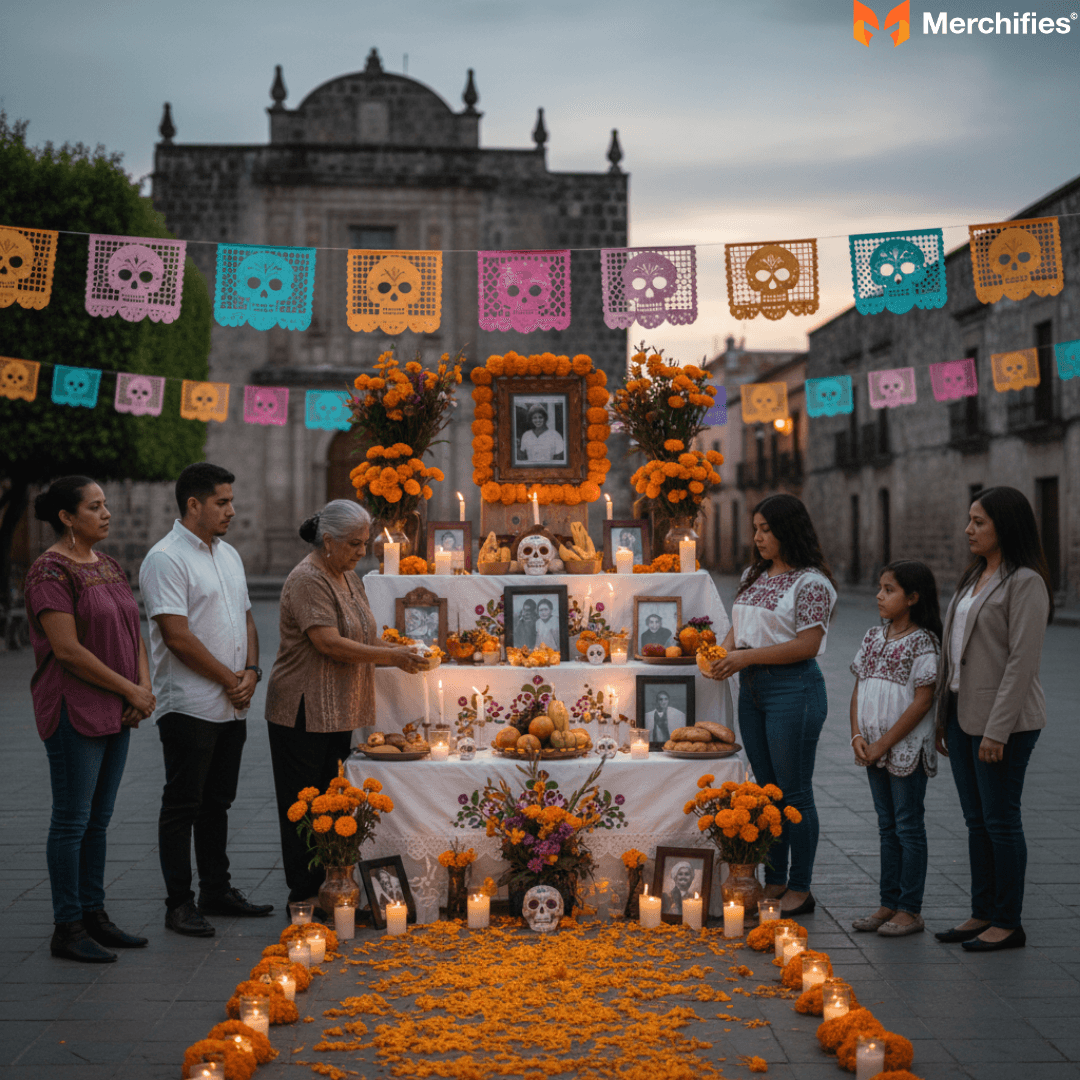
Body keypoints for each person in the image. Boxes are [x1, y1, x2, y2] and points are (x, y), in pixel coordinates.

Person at [265, 501, 423, 909]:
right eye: (354, 543)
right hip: (303, 708)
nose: (362, 551)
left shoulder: (348, 576)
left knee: (332, 798)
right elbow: (329, 643)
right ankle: (304, 894)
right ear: (329, 541)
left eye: (364, 542)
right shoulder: (308, 579)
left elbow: (363, 637)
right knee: (304, 803)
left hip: (337, 707)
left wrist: (403, 651)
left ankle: (332, 884)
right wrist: (392, 657)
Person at [25, 477, 155, 963]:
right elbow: (67, 651)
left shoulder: (108, 564)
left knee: (98, 820)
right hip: (73, 707)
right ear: (67, 517)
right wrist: (130, 690)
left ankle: (94, 914)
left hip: (118, 705)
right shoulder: (49, 572)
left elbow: (134, 630)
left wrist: (141, 688)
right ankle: (68, 925)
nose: (106, 513)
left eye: (105, 505)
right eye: (94, 507)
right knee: (72, 820)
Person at [139, 463, 272, 937]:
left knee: (218, 802)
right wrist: (228, 679)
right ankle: (179, 903)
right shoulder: (166, 558)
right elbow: (176, 635)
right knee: (183, 804)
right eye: (222, 502)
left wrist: (252, 671)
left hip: (231, 702)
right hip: (189, 703)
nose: (231, 510)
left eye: (232, 501)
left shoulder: (228, 554)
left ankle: (216, 889)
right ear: (193, 504)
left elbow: (247, 618)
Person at [933, 487, 1052, 952]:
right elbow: (954, 651)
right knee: (975, 821)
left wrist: (996, 731)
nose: (969, 529)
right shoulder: (974, 577)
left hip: (1004, 723)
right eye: (970, 519)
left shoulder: (1025, 582)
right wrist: (943, 719)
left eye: (979, 521)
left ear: (1006, 526)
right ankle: (981, 911)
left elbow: (1022, 663)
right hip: (962, 716)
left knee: (1000, 821)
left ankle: (1007, 922)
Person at [709, 494, 837, 916]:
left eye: (766, 529)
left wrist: (744, 658)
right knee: (767, 791)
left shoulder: (811, 583)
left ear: (788, 530)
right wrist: (722, 653)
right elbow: (739, 626)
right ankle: (775, 879)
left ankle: (800, 887)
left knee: (795, 793)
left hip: (793, 689)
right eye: (756, 529)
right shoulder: (753, 574)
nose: (758, 537)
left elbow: (807, 644)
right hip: (753, 690)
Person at [849, 561, 942, 938]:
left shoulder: (923, 642)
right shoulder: (873, 636)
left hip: (904, 749)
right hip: (872, 748)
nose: (879, 596)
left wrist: (883, 744)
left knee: (908, 826)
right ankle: (888, 902)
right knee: (887, 826)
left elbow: (923, 701)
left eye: (889, 590)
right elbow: (859, 686)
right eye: (880, 588)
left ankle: (910, 908)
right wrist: (857, 735)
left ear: (913, 598)